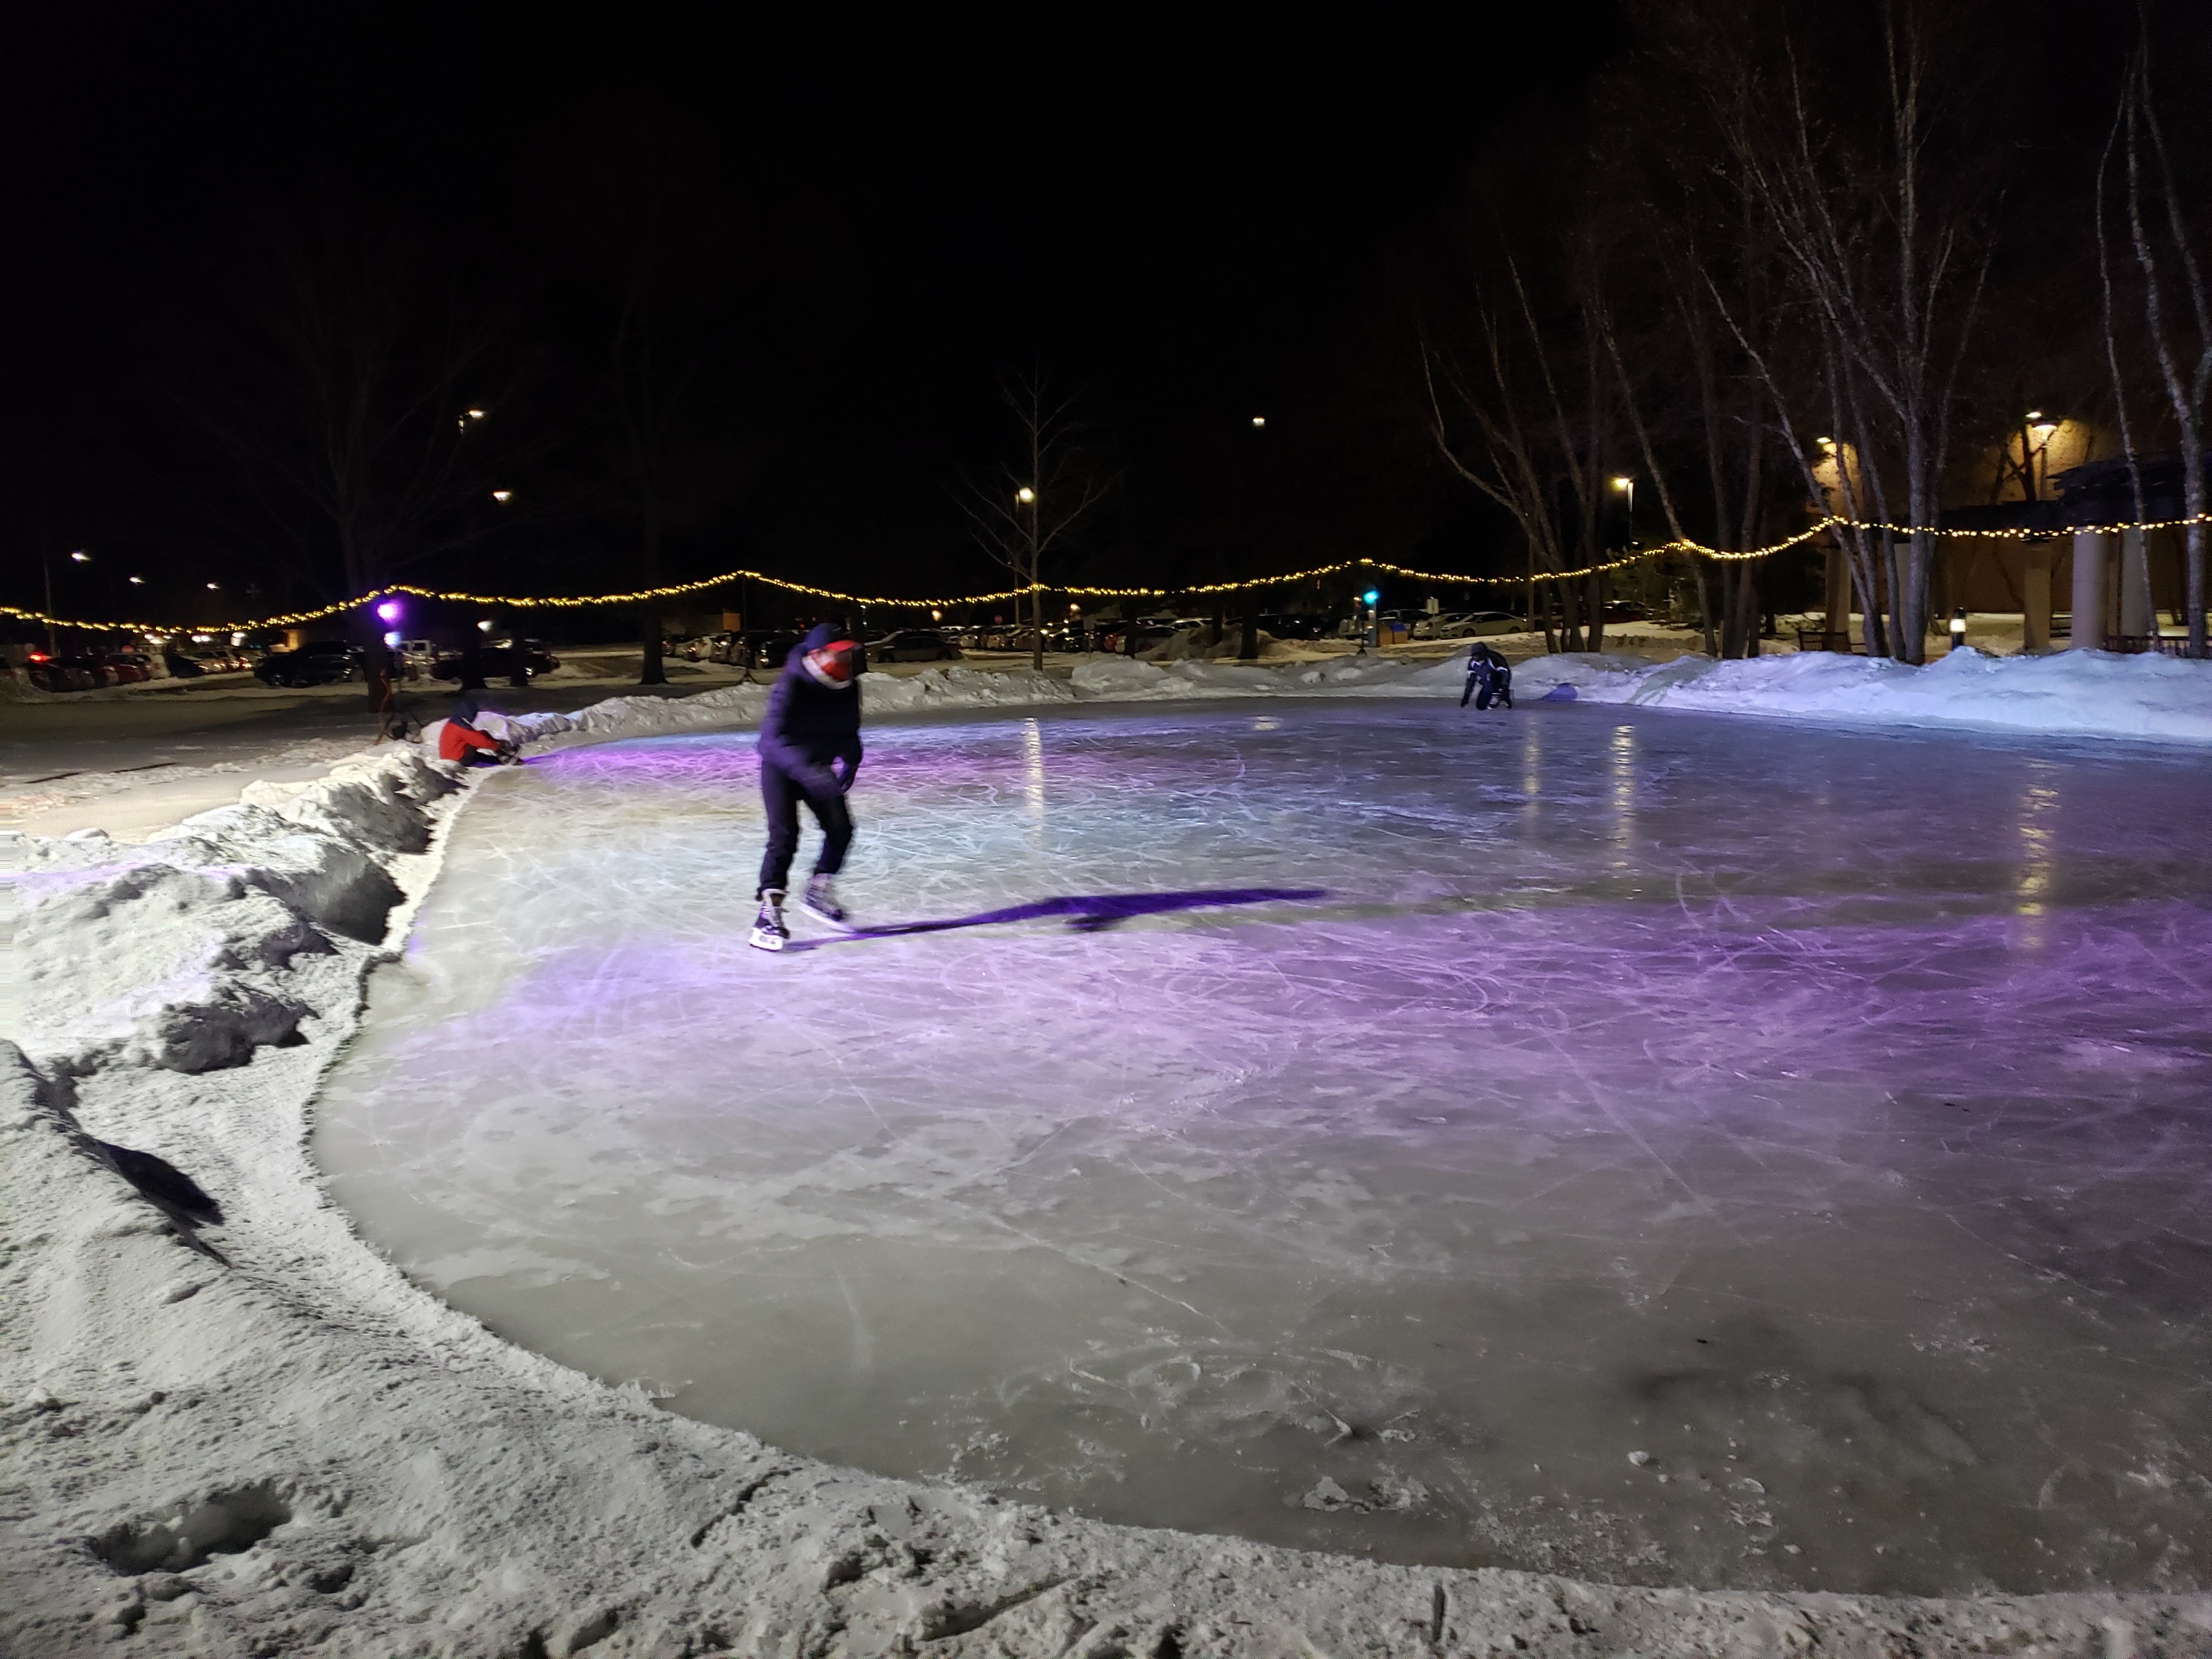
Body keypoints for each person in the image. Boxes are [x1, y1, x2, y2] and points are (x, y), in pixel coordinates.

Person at [749, 623, 864, 951]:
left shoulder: (848, 685)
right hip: (783, 770)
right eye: (839, 654)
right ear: (817, 655)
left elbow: (848, 726)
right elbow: (770, 741)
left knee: (841, 828)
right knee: (784, 837)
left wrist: (852, 758)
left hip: (819, 770)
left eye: (849, 653)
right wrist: (810, 771)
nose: (847, 661)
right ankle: (768, 915)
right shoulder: (792, 684)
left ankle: (818, 890)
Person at [438, 693, 515, 766]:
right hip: (457, 759)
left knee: (481, 737)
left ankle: (499, 757)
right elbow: (481, 741)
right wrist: (498, 746)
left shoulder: (455, 723)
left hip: (453, 755)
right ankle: (504, 756)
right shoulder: (461, 728)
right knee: (480, 739)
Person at [1461, 642, 1513, 710]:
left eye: (1479, 655)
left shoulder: (1493, 659)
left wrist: (1503, 688)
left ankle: (1498, 696)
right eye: (1475, 655)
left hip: (1499, 680)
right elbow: (1471, 681)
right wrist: (1466, 696)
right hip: (1487, 682)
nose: (1476, 657)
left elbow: (1505, 674)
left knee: (1492, 675)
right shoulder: (1472, 663)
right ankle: (1497, 696)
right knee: (1481, 706)